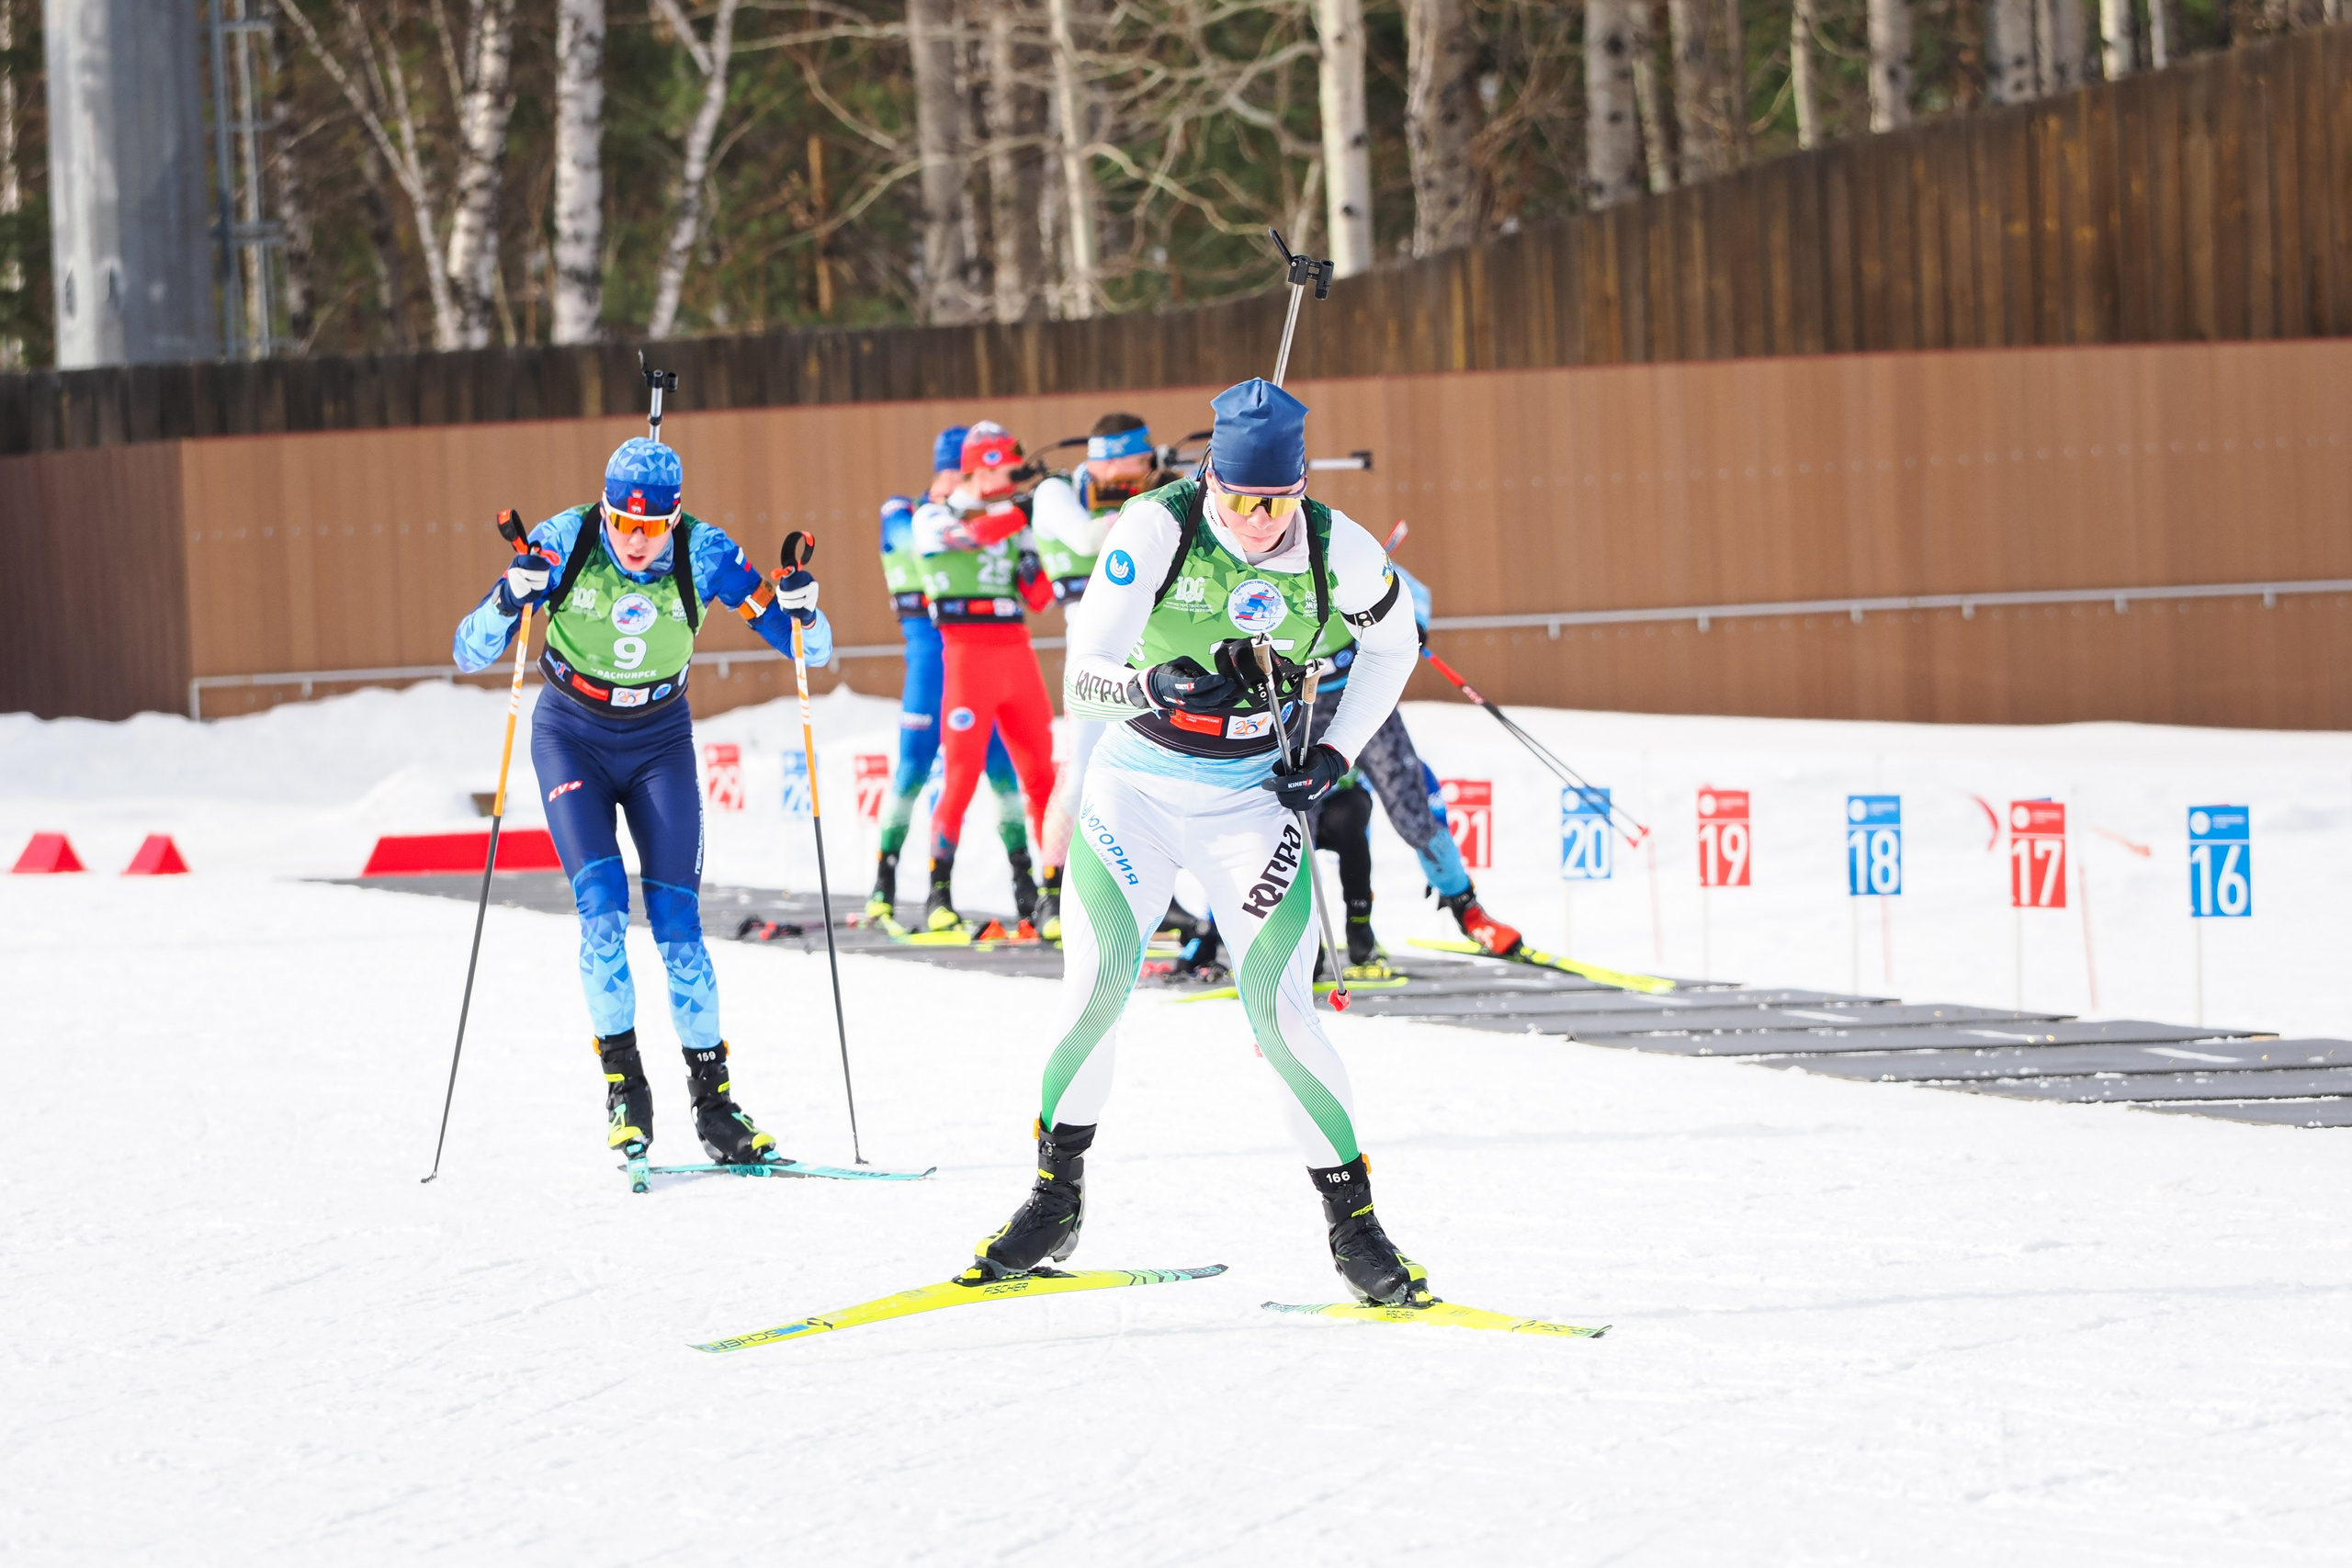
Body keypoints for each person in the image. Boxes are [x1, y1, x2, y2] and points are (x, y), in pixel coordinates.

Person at [967, 377, 1436, 1308]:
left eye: (1276, 504)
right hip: (1134, 788)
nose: (1258, 523)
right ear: (1210, 480)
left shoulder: (1338, 549)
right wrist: (1159, 688)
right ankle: (1055, 1199)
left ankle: (1357, 1230)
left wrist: (1334, 752)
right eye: (1237, 501)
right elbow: (1084, 676)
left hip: (1249, 800)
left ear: (1299, 489)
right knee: (1093, 992)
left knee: (1279, 1012)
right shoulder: (1154, 526)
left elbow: (1395, 649)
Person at [450, 436, 832, 1166]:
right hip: (573, 735)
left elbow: (811, 652)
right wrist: (510, 593)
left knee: (678, 928)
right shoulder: (565, 540)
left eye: (651, 529)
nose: (633, 541)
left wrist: (804, 613)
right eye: (622, 525)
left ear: (675, 518)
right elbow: (469, 650)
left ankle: (716, 1106)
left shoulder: (706, 551)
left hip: (659, 741)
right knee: (602, 913)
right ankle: (626, 1085)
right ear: (603, 510)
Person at [1306, 560, 1523, 972]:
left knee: (1413, 810)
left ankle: (1466, 909)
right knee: (1293, 826)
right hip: (1294, 704)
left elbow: (1406, 585)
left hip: (1361, 690)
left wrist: (1411, 620)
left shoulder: (1326, 536)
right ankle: (1299, 938)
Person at [867, 425, 1035, 929]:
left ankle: (1025, 885)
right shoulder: (909, 511)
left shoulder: (995, 514)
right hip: (930, 653)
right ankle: (885, 885)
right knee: (915, 766)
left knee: (1001, 766)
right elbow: (909, 543)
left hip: (979, 649)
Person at [910, 422, 1059, 931]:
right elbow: (967, 536)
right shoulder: (932, 515)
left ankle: (1055, 896)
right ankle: (938, 895)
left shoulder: (1016, 520)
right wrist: (1022, 513)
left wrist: (1041, 541)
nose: (1012, 478)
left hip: (1016, 651)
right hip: (966, 654)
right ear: (979, 466)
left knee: (1043, 775)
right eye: (1003, 468)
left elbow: (1038, 596)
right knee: (961, 775)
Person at [1027, 412, 1170, 941]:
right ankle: (1050, 891)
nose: (1148, 468)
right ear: (1112, 455)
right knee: (1082, 769)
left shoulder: (1129, 490)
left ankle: (1151, 895)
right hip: (1090, 651)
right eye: (1141, 460)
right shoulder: (1054, 492)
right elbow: (1087, 540)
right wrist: (1157, 503)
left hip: (1146, 648)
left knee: (1155, 768)